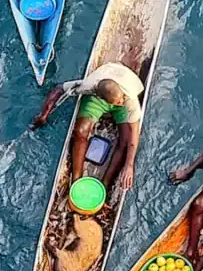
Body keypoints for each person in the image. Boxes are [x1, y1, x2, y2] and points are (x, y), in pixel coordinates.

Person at [31, 62, 144, 193]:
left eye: (121, 100)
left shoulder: (129, 100)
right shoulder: (88, 85)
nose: (121, 102)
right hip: (102, 97)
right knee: (80, 131)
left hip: (122, 95)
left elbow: (133, 138)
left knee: (124, 140)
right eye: (118, 102)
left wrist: (129, 166)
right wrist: (43, 115)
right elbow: (58, 89)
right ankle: (76, 182)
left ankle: (105, 186)